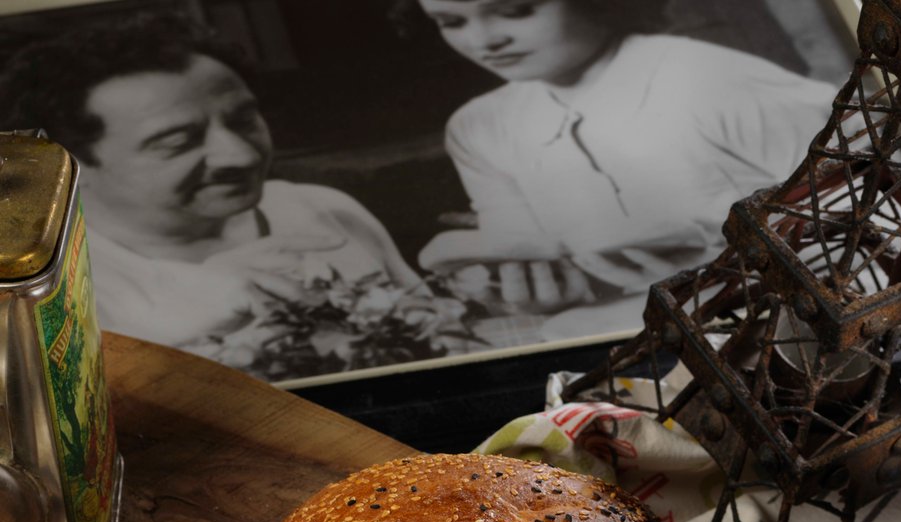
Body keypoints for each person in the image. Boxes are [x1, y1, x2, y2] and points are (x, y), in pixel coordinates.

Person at [0, 15, 469, 378]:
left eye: (244, 120)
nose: (240, 154)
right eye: (178, 141)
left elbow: (443, 340)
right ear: (70, 160)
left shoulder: (325, 211)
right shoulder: (45, 288)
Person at [410, 0, 838, 326]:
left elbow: (875, 210)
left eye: (515, 11)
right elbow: (526, 257)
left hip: (778, 320)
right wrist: (544, 292)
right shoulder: (479, 127)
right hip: (617, 336)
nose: (484, 40)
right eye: (452, 22)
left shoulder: (712, 79)